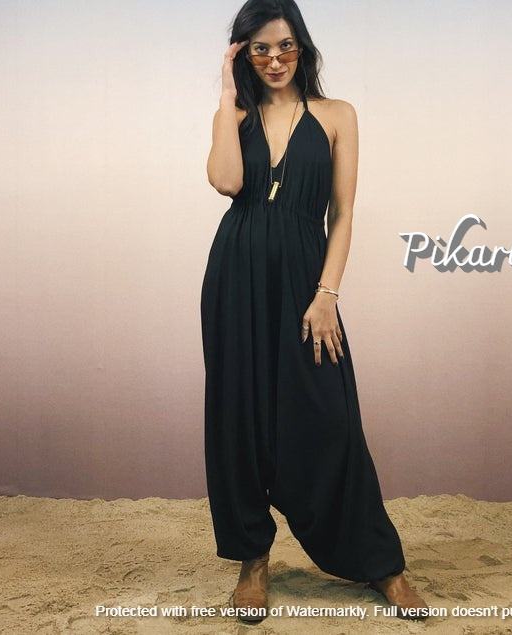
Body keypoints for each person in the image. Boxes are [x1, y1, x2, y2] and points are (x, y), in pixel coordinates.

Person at [201, 0, 428, 623]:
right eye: (260, 49)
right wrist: (226, 94)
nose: (275, 60)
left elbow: (343, 213)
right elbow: (226, 182)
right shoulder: (234, 116)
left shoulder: (337, 115)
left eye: (285, 46)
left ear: (302, 48)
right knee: (239, 417)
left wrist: (327, 294)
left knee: (331, 418)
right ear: (245, 54)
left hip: (306, 277)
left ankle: (381, 563)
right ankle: (252, 560)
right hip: (236, 277)